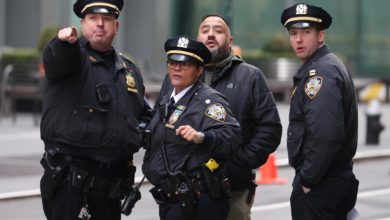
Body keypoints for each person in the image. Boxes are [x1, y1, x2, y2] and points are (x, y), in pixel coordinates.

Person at [157, 14, 282, 220]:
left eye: (218, 30)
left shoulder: (250, 77)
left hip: (232, 189)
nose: (211, 35)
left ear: (230, 40)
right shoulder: (175, 78)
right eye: (205, 30)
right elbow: (162, 124)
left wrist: (237, 164)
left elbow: (270, 129)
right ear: (198, 40)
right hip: (180, 192)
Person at [39, 0, 151, 219]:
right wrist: (63, 43)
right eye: (93, 18)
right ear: (82, 24)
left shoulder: (128, 69)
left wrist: (143, 131)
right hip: (71, 185)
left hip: (110, 187)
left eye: (107, 19)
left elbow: (142, 113)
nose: (100, 24)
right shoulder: (73, 56)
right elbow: (57, 59)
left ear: (116, 27)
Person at [142, 36, 242, 220]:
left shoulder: (209, 101)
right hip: (170, 200)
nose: (176, 68)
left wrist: (202, 137)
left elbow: (232, 136)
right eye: (172, 63)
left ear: (199, 70)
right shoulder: (167, 99)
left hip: (198, 201)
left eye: (185, 64)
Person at [280, 3, 359, 219]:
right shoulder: (326, 65)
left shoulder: (320, 72)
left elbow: (325, 133)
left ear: (320, 36)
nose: (298, 39)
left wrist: (308, 180)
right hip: (330, 180)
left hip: (320, 184)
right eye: (293, 33)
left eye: (306, 32)